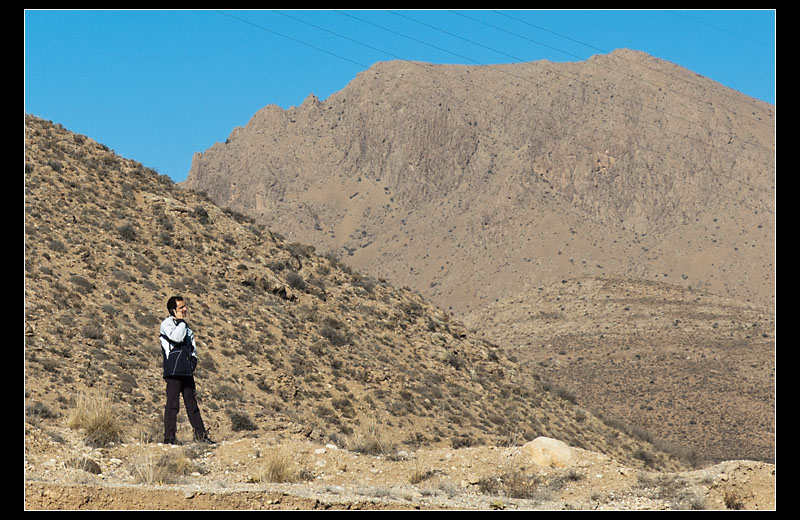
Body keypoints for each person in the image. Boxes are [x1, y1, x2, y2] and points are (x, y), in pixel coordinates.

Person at [160, 295, 214, 444]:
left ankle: (201, 436)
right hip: (173, 371)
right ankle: (169, 438)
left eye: (185, 306)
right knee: (173, 405)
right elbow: (176, 338)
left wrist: (193, 361)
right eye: (181, 307)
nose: (185, 309)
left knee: (192, 404)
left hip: (186, 371)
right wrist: (180, 322)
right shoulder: (167, 324)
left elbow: (192, 347)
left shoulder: (186, 326)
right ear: (173, 310)